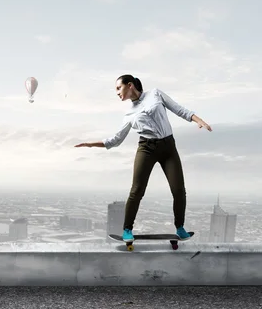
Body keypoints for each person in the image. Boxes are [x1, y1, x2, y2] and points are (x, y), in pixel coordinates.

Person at [75, 74, 212, 242]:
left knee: (179, 190)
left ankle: (180, 228)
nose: (117, 93)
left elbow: (179, 109)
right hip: (146, 149)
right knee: (137, 190)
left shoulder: (155, 94)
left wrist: (199, 121)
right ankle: (127, 229)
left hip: (169, 147)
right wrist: (90, 144)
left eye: (119, 88)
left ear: (130, 85)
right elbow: (115, 140)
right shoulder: (129, 115)